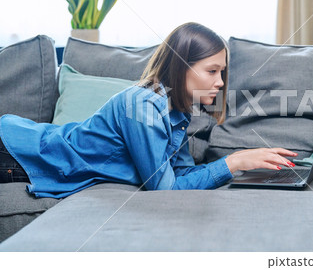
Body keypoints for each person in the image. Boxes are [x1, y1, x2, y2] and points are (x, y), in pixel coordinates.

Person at [0, 22, 297, 199]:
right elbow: (165, 192)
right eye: (212, 71)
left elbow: (180, 175)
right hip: (16, 152)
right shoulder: (144, 106)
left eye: (223, 71)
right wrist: (232, 162)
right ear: (182, 67)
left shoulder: (177, 113)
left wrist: (241, 166)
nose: (220, 82)